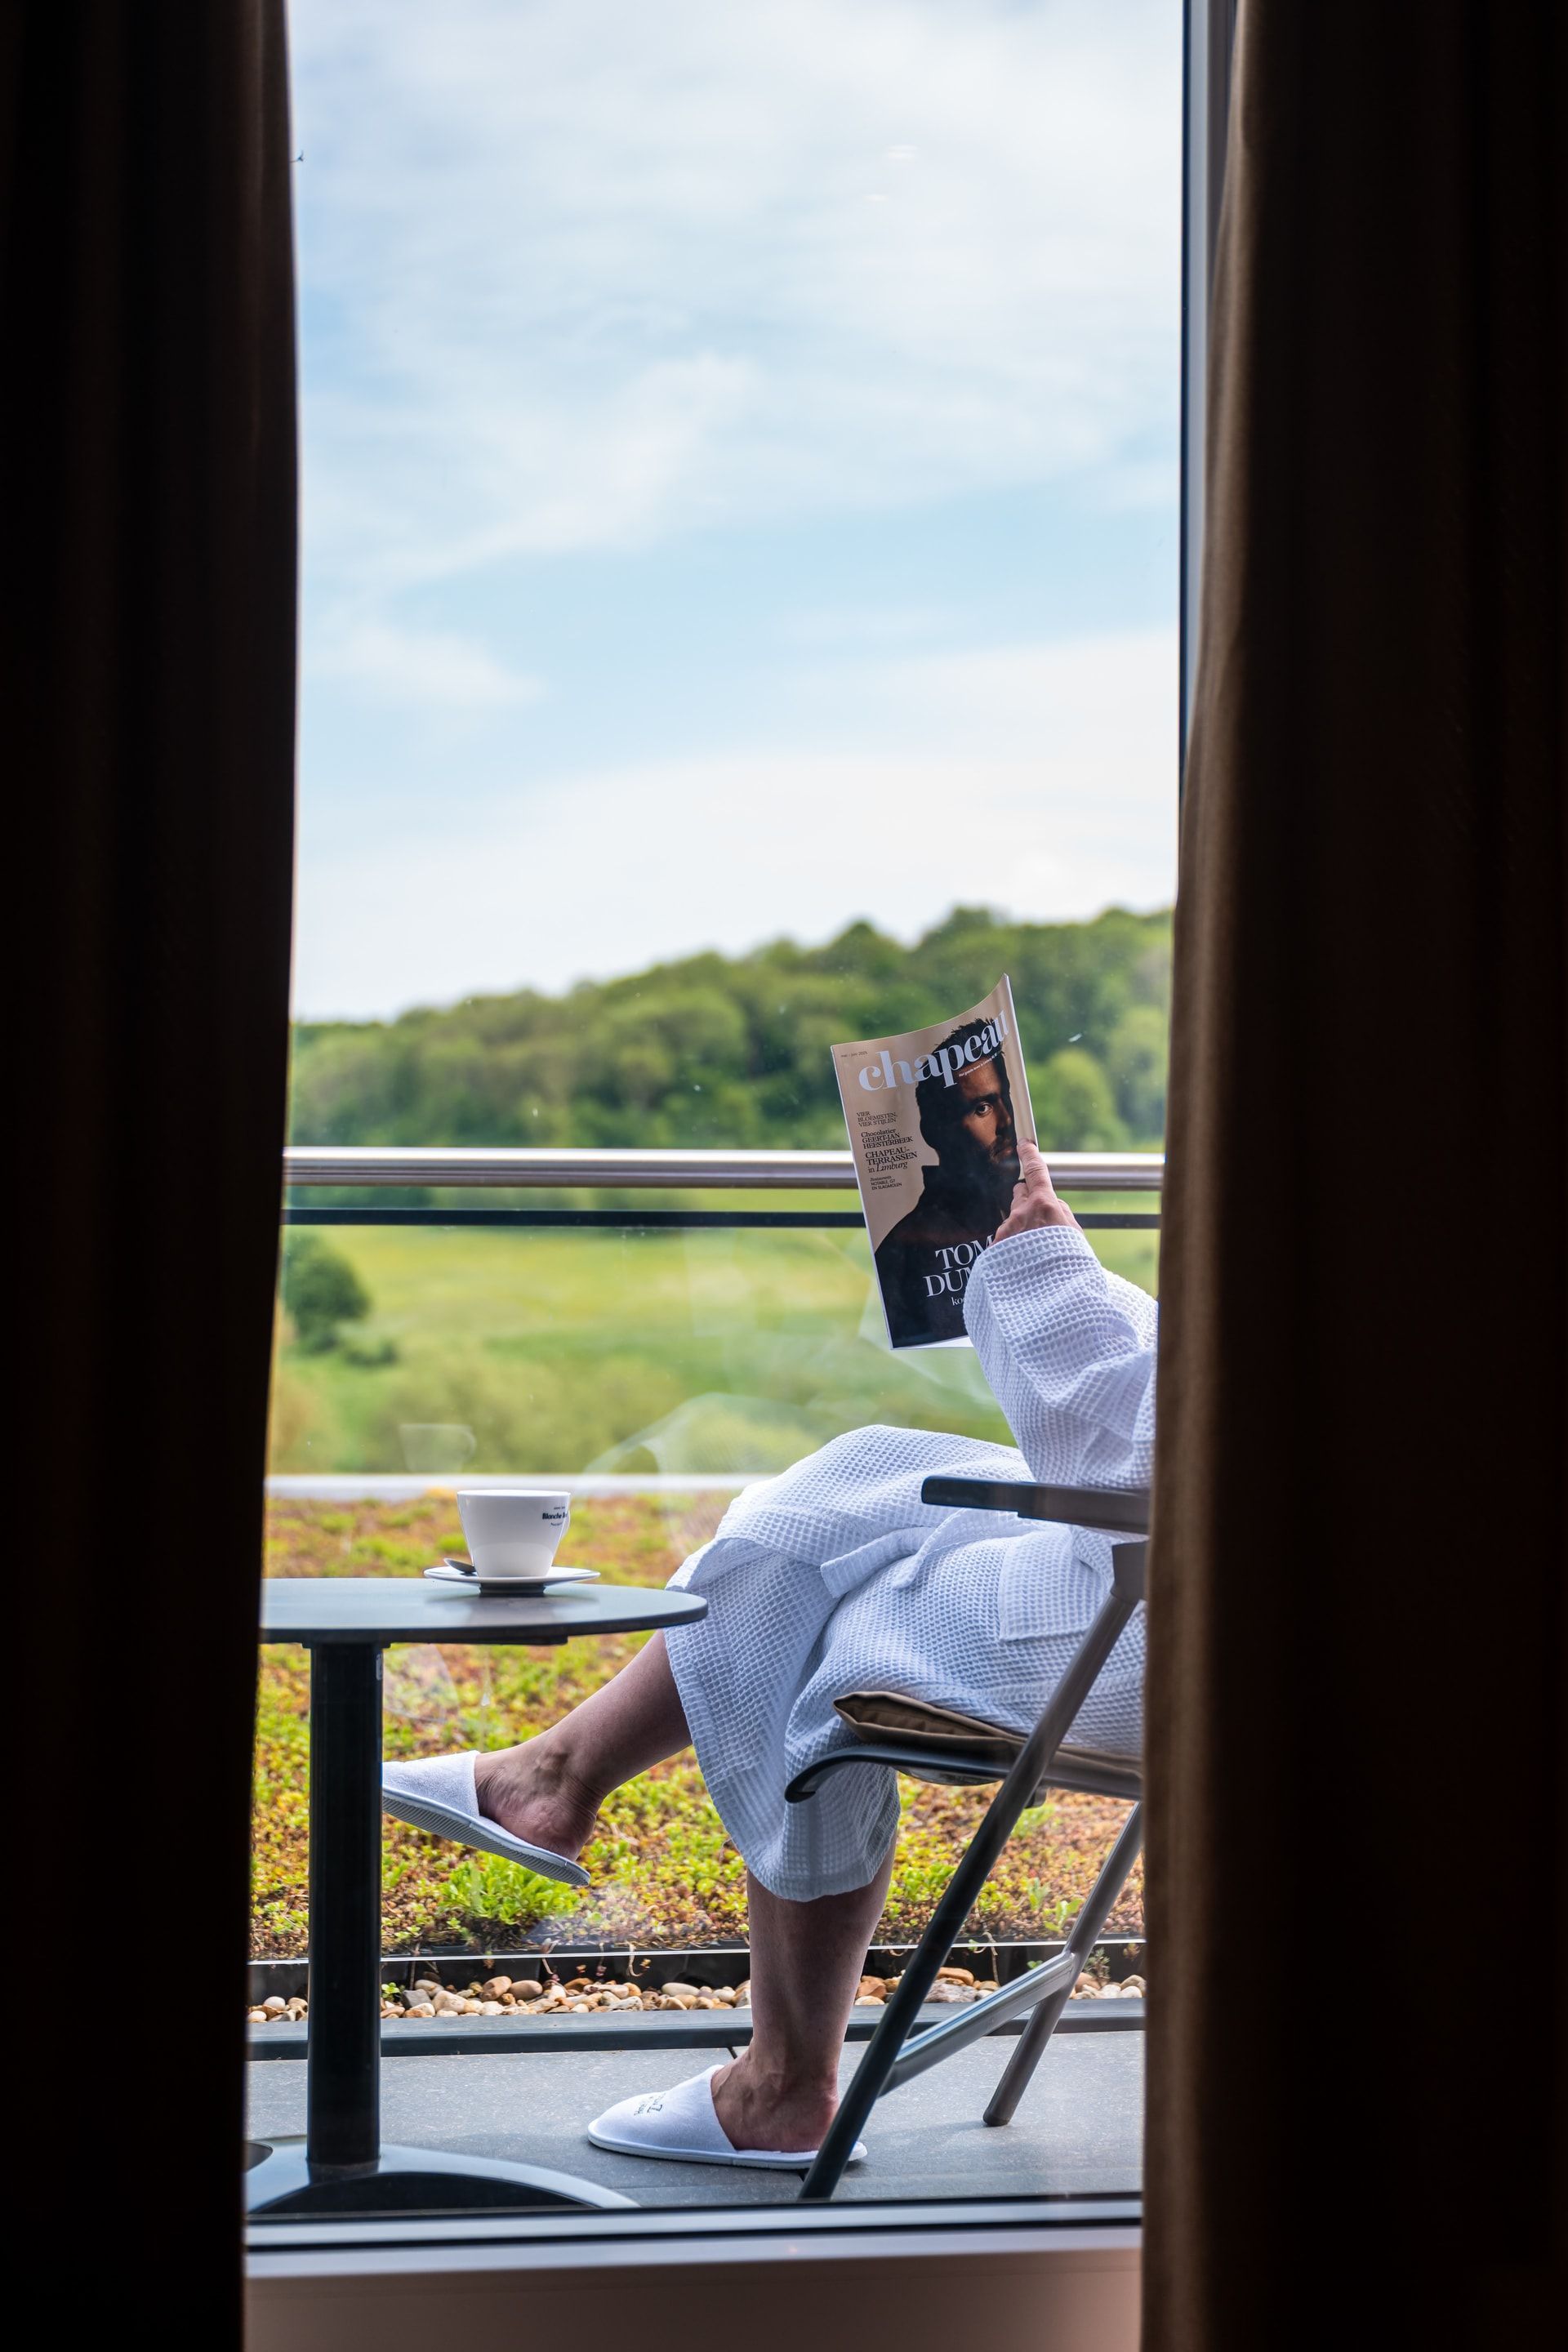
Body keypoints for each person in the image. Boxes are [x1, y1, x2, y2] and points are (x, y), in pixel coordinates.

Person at [383, 1143, 1156, 2167]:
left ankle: (782, 2086)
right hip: (1162, 1566)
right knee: (864, 1472)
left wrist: (1046, 1274)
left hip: (1156, 1623)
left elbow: (1144, 1442)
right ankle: (552, 1776)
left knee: (822, 1643)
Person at [871, 1016, 1021, 1345]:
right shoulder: (906, 1250)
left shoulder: (1027, 1216)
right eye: (982, 1108)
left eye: (1005, 1099)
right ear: (935, 1132)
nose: (1007, 1122)